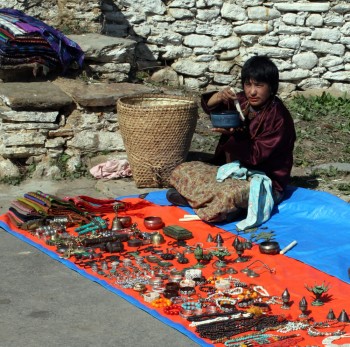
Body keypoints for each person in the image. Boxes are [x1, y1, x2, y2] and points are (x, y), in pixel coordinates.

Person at [167, 55, 296, 225]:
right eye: (248, 84)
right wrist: (219, 96)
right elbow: (210, 106)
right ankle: (212, 204)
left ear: (271, 87)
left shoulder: (279, 118)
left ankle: (218, 206)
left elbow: (256, 156)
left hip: (264, 180)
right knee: (182, 169)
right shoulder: (242, 100)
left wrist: (233, 136)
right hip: (233, 170)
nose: (252, 91)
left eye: (259, 85)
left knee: (228, 194)